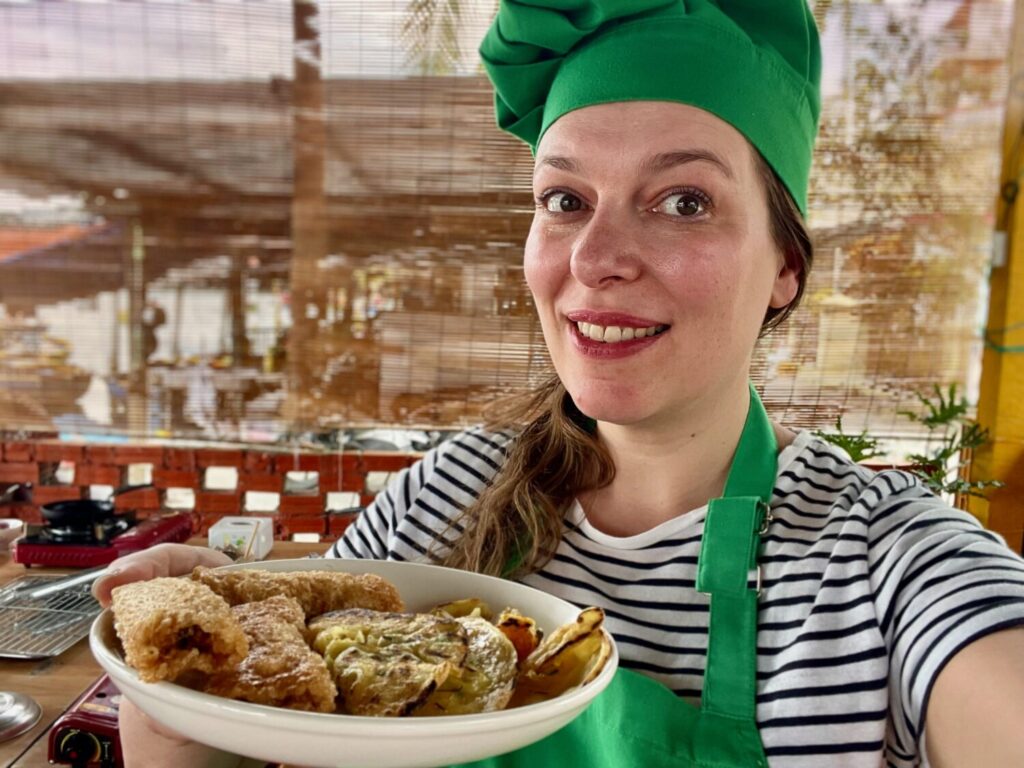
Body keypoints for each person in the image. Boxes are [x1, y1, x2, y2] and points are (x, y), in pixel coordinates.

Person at [93, 1, 1024, 766]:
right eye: (564, 200)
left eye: (684, 201)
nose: (597, 256)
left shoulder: (886, 569)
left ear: (784, 265)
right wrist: (189, 685)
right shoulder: (443, 498)